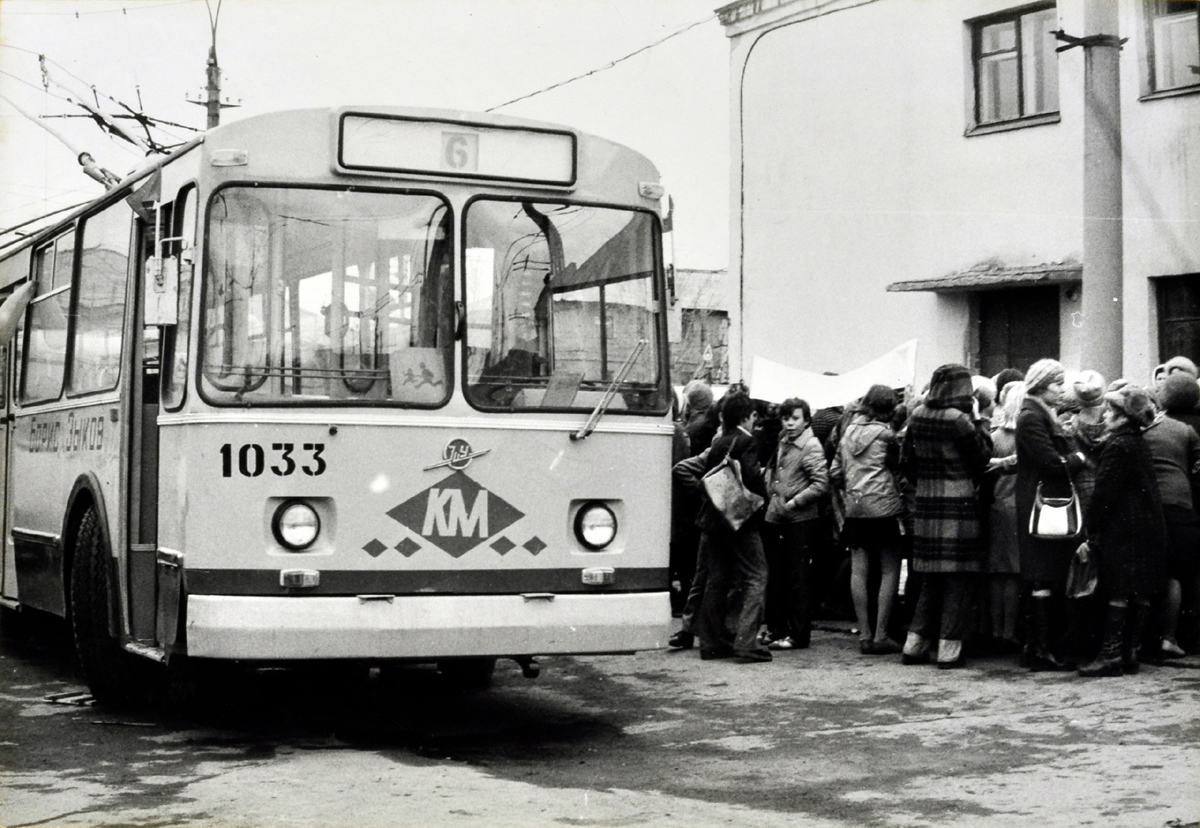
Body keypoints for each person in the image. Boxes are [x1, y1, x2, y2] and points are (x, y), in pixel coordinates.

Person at [900, 364, 992, 669]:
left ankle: (914, 646)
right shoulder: (959, 420)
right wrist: (979, 419)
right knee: (957, 580)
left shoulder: (917, 416)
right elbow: (982, 456)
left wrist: (925, 485)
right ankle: (949, 651)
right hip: (960, 504)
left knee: (930, 580)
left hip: (927, 503)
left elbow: (906, 463)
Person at [1077, 386, 1168, 677]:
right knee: (1138, 589)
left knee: (1118, 588)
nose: (1105, 414)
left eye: (1110, 411)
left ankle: (1111, 654)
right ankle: (1131, 653)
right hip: (1145, 525)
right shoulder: (1138, 442)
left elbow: (1105, 492)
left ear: (1121, 417)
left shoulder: (1117, 445)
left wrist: (1091, 525)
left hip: (1123, 527)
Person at [677, 391, 773, 663]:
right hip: (740, 520)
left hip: (715, 520)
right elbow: (752, 480)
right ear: (745, 416)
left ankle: (710, 642)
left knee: (715, 580)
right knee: (757, 575)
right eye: (753, 415)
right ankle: (746, 641)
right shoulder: (747, 442)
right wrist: (762, 493)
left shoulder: (719, 442)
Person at [1015, 358, 1088, 671]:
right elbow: (1050, 462)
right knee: (1044, 573)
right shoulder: (1032, 416)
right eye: (1058, 384)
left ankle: (1040, 647)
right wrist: (1080, 457)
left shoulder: (1036, 413)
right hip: (1043, 504)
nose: (1062, 390)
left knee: (1046, 574)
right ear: (1042, 384)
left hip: (1043, 502)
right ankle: (1042, 650)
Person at [831, 385, 905, 655]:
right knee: (889, 569)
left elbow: (835, 472)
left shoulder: (847, 432)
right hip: (884, 507)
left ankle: (864, 634)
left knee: (858, 572)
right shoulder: (888, 436)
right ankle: (881, 634)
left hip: (856, 508)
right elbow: (899, 469)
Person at [761, 398, 827, 650]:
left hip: (799, 520)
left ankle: (799, 634)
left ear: (806, 420)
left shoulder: (810, 446)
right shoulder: (784, 441)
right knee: (776, 575)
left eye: (795, 418)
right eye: (786, 418)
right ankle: (777, 629)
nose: (789, 423)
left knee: (797, 578)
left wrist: (795, 502)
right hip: (777, 516)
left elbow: (821, 483)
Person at [1140, 387, 1200, 660]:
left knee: (1149, 570)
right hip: (1180, 503)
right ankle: (1169, 638)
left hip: (1146, 503)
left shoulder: (1137, 431)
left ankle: (1142, 639)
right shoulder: (1184, 430)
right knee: (1175, 574)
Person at [984, 381, 1025, 653]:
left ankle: (995, 629)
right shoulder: (1026, 437)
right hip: (1018, 507)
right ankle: (1009, 631)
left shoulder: (994, 436)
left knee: (996, 573)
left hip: (996, 506)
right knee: (1012, 573)